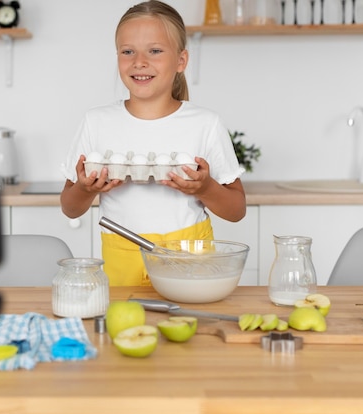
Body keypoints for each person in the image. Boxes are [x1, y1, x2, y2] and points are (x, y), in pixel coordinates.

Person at [60, 0, 246, 286]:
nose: (139, 62)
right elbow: (70, 207)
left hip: (189, 261)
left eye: (155, 51)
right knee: (127, 330)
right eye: (128, 51)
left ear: (181, 61)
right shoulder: (96, 122)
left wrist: (206, 187)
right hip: (122, 261)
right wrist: (85, 190)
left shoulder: (205, 123)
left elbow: (236, 211)